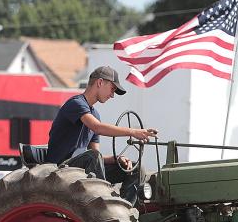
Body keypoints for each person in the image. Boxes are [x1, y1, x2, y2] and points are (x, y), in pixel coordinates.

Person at [47, 66, 157, 203]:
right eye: (112, 89)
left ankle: (124, 210)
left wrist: (116, 158)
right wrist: (133, 132)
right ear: (100, 82)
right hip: (60, 169)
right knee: (92, 157)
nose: (112, 95)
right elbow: (97, 128)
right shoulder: (76, 104)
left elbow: (96, 153)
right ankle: (104, 203)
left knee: (136, 168)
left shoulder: (95, 114)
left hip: (80, 167)